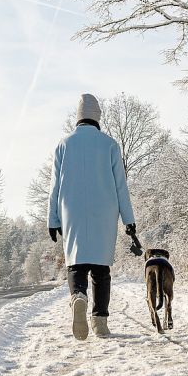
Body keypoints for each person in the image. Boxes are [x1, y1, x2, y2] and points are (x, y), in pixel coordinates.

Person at [47, 93, 136, 340]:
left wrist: (52, 220)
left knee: (76, 263)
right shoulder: (110, 144)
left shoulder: (63, 145)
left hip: (72, 210)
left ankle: (78, 296)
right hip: (104, 211)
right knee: (100, 269)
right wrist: (129, 221)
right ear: (97, 116)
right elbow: (121, 187)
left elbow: (54, 187)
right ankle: (100, 321)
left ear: (78, 117)